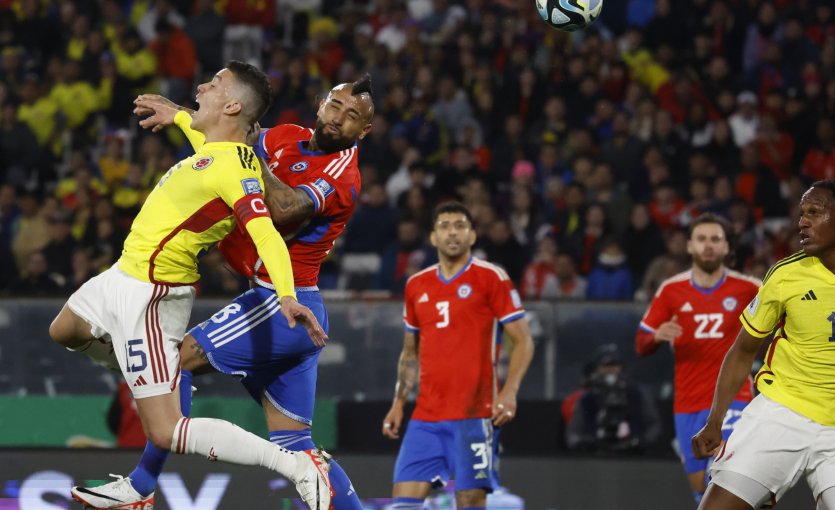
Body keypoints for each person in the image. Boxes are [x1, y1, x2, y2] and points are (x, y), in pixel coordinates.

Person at [70, 75, 376, 510]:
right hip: (294, 311)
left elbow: (284, 207)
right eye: (336, 106)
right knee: (297, 443)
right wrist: (179, 114)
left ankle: (140, 488)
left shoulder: (343, 173)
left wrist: (253, 158)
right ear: (321, 102)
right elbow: (228, 134)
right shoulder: (288, 136)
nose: (339, 119)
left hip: (280, 303)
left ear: (364, 131)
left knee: (177, 361)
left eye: (352, 117)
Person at [692, 180, 835, 510]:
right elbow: (744, 349)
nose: (802, 222)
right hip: (782, 413)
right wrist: (715, 420)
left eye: (814, 213)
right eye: (801, 214)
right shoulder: (785, 275)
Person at [382, 202, 535, 510]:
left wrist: (510, 392)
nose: (452, 232)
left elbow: (524, 341)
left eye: (460, 226)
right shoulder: (416, 285)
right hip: (426, 417)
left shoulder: (492, 278)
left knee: (469, 502)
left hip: (475, 416)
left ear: (472, 235)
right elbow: (410, 353)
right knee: (402, 506)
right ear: (433, 237)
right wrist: (398, 403)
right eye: (444, 226)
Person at [635, 213, 760, 504]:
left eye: (716, 239)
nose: (708, 246)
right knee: (700, 489)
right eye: (701, 239)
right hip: (688, 401)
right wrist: (656, 336)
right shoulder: (671, 290)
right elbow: (640, 344)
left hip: (734, 396)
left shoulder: (749, 289)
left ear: (727, 248)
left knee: (722, 473)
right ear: (689, 246)